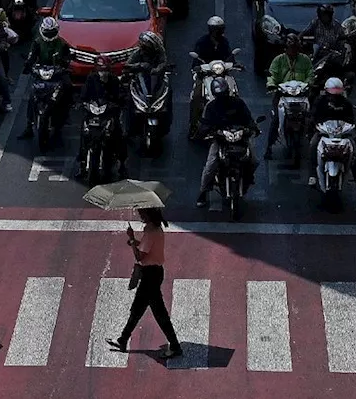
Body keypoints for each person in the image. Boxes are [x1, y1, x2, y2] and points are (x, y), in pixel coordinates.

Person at [107, 207, 183, 360]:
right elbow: (147, 247)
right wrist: (135, 241)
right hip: (154, 273)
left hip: (150, 276)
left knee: (155, 312)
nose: (139, 214)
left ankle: (175, 346)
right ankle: (123, 339)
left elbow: (140, 256)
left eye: (142, 212)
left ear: (149, 213)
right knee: (138, 309)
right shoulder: (155, 228)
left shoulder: (150, 231)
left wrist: (132, 238)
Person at [196, 77, 258, 207]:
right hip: (221, 140)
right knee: (210, 166)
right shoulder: (210, 107)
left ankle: (248, 177)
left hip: (240, 138)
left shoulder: (238, 103)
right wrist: (216, 132)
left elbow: (249, 120)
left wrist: (248, 130)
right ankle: (203, 192)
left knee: (254, 160)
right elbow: (204, 126)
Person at [308, 77, 356, 202]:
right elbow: (314, 116)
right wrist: (317, 126)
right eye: (332, 94)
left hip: (342, 135)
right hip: (324, 133)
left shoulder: (345, 103)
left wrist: (349, 129)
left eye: (337, 94)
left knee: (355, 158)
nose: (334, 97)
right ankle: (312, 175)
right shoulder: (320, 102)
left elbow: (351, 120)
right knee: (313, 145)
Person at [18, 17, 72, 140]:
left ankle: (65, 115)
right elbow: (31, 57)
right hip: (41, 73)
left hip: (56, 73)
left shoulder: (62, 43)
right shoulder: (37, 42)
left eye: (51, 32)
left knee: (68, 87)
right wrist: (28, 66)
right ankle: (28, 126)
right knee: (32, 96)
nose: (49, 35)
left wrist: (65, 65)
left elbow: (68, 57)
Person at [265, 33, 313, 158]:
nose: (293, 51)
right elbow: (272, 75)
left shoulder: (305, 60)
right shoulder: (278, 60)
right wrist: (271, 85)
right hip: (282, 94)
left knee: (311, 117)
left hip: (300, 94)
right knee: (275, 120)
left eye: (295, 48)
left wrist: (309, 84)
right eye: (290, 48)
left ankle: (312, 142)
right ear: (285, 49)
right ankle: (269, 147)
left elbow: (310, 74)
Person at [78, 54, 127, 178]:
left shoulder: (114, 80)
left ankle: (122, 164)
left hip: (108, 114)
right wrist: (83, 103)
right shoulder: (91, 79)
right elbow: (84, 94)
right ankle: (82, 164)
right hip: (93, 112)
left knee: (119, 135)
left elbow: (120, 95)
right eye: (101, 70)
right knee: (84, 136)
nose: (103, 73)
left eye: (105, 70)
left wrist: (118, 103)